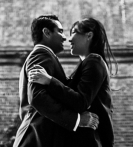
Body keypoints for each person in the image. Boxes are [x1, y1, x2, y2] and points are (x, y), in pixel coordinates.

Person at [13, 15, 100, 147]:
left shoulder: (45, 55)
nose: (64, 37)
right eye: (60, 31)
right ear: (46, 32)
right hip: (37, 139)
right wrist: (76, 119)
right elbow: (37, 97)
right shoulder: (41, 54)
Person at [28, 17, 116, 147]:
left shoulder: (94, 61)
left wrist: (49, 81)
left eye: (74, 32)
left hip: (90, 141)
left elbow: (81, 102)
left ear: (89, 35)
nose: (69, 39)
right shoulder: (86, 64)